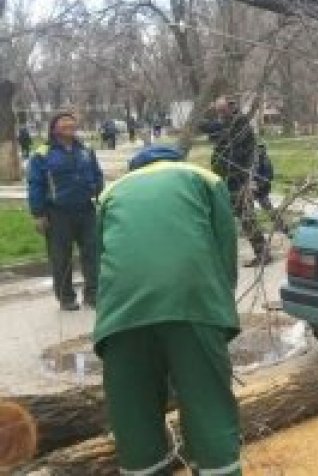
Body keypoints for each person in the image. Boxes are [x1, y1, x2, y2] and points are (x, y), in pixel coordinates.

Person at [94, 144, 241, 475]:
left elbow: (101, 252)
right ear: (176, 162)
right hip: (192, 302)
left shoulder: (111, 192)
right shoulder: (204, 178)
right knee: (208, 406)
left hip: (119, 316)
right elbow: (225, 246)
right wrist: (220, 309)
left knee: (134, 417)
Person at [27, 112, 104, 311]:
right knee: (61, 257)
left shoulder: (86, 150)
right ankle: (66, 297)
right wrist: (38, 214)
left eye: (72, 121)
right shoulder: (42, 154)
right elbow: (35, 184)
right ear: (54, 128)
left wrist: (97, 187)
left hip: (86, 209)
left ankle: (93, 295)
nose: (69, 124)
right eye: (63, 122)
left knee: (92, 253)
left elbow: (97, 172)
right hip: (57, 213)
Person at [210, 97, 271, 266]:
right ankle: (260, 252)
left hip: (240, 179)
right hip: (230, 179)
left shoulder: (239, 124)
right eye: (218, 112)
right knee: (237, 217)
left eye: (223, 112)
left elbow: (234, 148)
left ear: (230, 109)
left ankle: (263, 253)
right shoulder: (228, 124)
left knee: (246, 217)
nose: (220, 115)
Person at [252, 142, 288, 234]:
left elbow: (269, 176)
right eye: (258, 148)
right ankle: (253, 229)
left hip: (261, 190)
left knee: (268, 208)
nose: (259, 150)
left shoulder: (265, 161)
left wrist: (259, 185)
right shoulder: (252, 159)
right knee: (247, 208)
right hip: (252, 188)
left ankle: (283, 227)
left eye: (261, 148)